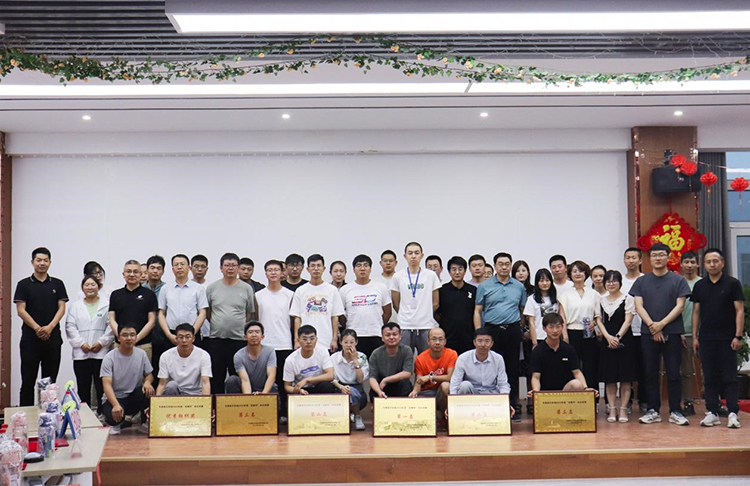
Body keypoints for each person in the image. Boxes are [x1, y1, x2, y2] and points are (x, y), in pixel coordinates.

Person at [630, 243, 691, 426]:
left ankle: (676, 411)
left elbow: (680, 306)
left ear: (668, 257)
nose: (658, 258)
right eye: (654, 255)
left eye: (661, 254)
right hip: (648, 333)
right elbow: (638, 306)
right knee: (650, 373)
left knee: (673, 373)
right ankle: (653, 410)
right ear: (649, 258)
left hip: (672, 332)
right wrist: (652, 326)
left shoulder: (678, 280)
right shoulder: (641, 281)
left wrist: (661, 325)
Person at [692, 248, 744, 429]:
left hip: (728, 338)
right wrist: (695, 337)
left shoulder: (732, 284)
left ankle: (732, 413)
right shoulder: (700, 285)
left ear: (722, 263)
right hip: (706, 338)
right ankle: (712, 412)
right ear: (704, 264)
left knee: (729, 377)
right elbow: (696, 312)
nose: (712, 265)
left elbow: (739, 310)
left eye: (715, 261)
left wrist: (738, 335)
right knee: (710, 376)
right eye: (708, 262)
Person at [14, 247, 69, 406]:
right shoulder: (23, 284)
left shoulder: (58, 284)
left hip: (52, 340)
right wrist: (38, 328)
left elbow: (62, 308)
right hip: (30, 340)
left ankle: (48, 416)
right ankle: (25, 416)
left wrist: (50, 327)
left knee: (49, 384)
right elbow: (20, 310)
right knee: (27, 382)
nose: (42, 263)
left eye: (45, 260)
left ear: (50, 263)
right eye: (39, 260)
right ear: (32, 262)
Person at [474, 252, 526, 416]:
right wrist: (479, 333)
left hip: (512, 330)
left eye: (507, 264)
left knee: (512, 367)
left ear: (510, 266)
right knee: (492, 367)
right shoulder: (485, 286)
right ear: (495, 266)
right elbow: (477, 311)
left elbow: (522, 310)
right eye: (500, 264)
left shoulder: (519, 286)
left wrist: (520, 328)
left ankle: (513, 404)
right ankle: (494, 404)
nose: (504, 267)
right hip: (492, 331)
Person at [206, 252, 256, 394]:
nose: (230, 268)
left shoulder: (246, 288)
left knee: (236, 376)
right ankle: (216, 404)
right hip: (217, 338)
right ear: (221, 268)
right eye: (227, 265)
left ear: (238, 268)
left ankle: (235, 404)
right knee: (216, 375)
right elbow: (208, 312)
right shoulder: (212, 287)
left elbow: (249, 313)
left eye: (233, 265)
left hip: (238, 339)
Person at [65, 274, 114, 413]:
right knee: (83, 386)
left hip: (101, 353)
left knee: (101, 386)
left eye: (93, 284)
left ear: (98, 287)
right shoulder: (75, 306)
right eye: (87, 285)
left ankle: (101, 413)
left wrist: (101, 342)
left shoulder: (106, 305)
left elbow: (110, 326)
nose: (90, 287)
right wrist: (81, 344)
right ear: (82, 288)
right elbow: (70, 326)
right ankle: (84, 414)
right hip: (81, 353)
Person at [155, 254, 208, 380]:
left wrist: (192, 333)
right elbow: (161, 313)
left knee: (194, 368)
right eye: (176, 265)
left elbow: (202, 312)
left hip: (192, 334)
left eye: (182, 264)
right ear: (172, 269)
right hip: (172, 335)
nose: (179, 267)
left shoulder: (198, 288)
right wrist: (168, 334)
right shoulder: (165, 289)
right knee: (171, 369)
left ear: (189, 267)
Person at [557, 260, 602, 404]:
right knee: (572, 367)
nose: (578, 274)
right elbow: (562, 318)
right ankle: (573, 401)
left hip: (589, 333)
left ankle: (593, 402)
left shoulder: (594, 294)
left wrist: (594, 323)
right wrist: (565, 336)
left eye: (580, 271)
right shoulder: (565, 295)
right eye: (574, 271)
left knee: (591, 367)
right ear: (570, 274)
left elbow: (598, 316)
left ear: (586, 274)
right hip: (572, 332)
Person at [255, 260, 295, 417]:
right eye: (270, 270)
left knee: (284, 380)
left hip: (284, 343)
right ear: (265, 273)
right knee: (266, 381)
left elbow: (293, 320)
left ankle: (285, 413)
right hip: (265, 344)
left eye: (276, 270)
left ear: (282, 273)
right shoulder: (258, 296)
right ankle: (268, 414)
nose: (273, 273)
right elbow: (256, 319)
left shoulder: (289, 295)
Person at [100, 323, 155, 434]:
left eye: (132, 335)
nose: (129, 338)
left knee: (147, 391)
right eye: (125, 335)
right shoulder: (109, 357)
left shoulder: (141, 354)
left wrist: (148, 382)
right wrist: (115, 405)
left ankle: (146, 422)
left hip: (133, 396)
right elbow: (106, 385)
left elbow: (149, 375)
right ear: (118, 338)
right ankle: (118, 422)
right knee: (113, 418)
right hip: (115, 398)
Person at [597, 270, 636, 423]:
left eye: (614, 281)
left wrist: (618, 337)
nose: (611, 284)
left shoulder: (628, 299)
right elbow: (598, 320)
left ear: (620, 283)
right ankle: (612, 409)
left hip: (625, 341)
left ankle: (624, 409)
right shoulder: (600, 300)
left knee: (625, 378)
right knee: (610, 378)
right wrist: (608, 337)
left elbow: (628, 320)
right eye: (608, 281)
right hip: (606, 341)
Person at [391, 242, 441, 354]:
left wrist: (425, 312)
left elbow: (436, 302)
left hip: (426, 325)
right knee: (405, 357)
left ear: (422, 255)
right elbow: (396, 303)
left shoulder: (430, 275)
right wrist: (407, 314)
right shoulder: (398, 276)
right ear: (405, 256)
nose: (413, 256)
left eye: (416, 253)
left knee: (426, 357)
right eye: (410, 253)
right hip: (405, 325)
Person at [339, 254, 392, 357]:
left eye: (366, 265)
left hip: (376, 334)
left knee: (375, 364)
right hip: (354, 336)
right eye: (359, 265)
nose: (362, 268)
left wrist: (377, 323)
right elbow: (341, 314)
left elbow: (387, 312)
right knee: (356, 364)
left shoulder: (381, 287)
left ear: (370, 269)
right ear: (353, 269)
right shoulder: (345, 289)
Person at [290, 254, 345, 353]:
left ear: (324, 268)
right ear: (307, 269)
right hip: (305, 341)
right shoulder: (300, 290)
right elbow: (297, 317)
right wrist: (296, 340)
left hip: (326, 341)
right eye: (313, 266)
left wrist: (334, 339)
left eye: (319, 265)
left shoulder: (332, 290)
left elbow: (335, 317)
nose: (316, 269)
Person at [528, 313, 593, 394]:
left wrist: (585, 388)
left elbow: (577, 372)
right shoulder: (538, 351)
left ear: (562, 327)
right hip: (545, 394)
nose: (555, 331)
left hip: (565, 392)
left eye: (558, 327)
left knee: (576, 384)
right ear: (544, 329)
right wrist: (536, 391)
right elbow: (536, 377)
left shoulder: (568, 349)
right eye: (551, 327)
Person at [109, 260, 158, 359]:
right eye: (128, 271)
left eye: (135, 272)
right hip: (120, 345)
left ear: (141, 274)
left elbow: (151, 321)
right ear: (123, 274)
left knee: (144, 369)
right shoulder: (115, 294)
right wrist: (122, 337)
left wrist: (135, 339)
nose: (132, 274)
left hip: (143, 345)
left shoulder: (149, 295)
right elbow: (112, 319)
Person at [450, 328, 512, 400]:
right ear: (474, 342)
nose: (483, 345)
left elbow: (503, 384)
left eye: (487, 341)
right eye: (480, 341)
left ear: (492, 343)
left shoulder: (498, 359)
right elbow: (455, 383)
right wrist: (453, 401)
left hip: (491, 393)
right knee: (464, 385)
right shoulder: (463, 358)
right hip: (472, 393)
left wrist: (505, 401)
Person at [410, 328, 457, 418]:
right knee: (415, 400)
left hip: (442, 391)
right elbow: (419, 381)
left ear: (445, 342)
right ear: (428, 341)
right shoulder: (420, 358)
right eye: (434, 339)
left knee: (446, 386)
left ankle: (444, 417)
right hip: (427, 392)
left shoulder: (452, 354)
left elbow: (450, 377)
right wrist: (415, 391)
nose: (437, 342)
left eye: (440, 339)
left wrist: (430, 377)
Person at [621, 247, 646, 414]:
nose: (630, 261)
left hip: (644, 330)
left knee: (645, 367)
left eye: (634, 258)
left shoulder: (646, 280)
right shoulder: (620, 281)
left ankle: (644, 400)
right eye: (627, 258)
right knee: (627, 368)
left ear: (640, 260)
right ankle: (627, 401)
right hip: (626, 331)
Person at [435, 256, 477, 355]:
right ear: (449, 272)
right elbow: (436, 313)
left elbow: (476, 312)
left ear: (465, 271)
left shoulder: (473, 290)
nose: (457, 272)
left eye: (460, 269)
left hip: (468, 338)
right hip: (448, 338)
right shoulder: (442, 290)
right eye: (454, 269)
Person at [156, 323, 212, 396]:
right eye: (181, 337)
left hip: (196, 394)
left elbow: (205, 382)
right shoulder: (166, 356)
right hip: (176, 392)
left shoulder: (203, 355)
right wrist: (156, 402)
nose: (184, 340)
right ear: (176, 339)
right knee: (171, 385)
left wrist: (206, 401)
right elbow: (162, 384)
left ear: (193, 338)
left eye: (187, 337)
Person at [331, 329, 369, 431]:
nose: (348, 345)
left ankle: (356, 416)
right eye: (346, 342)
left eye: (351, 342)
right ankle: (354, 416)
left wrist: (355, 360)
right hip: (339, 387)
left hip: (357, 389)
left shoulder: (362, 357)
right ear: (340, 342)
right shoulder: (334, 358)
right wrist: (341, 387)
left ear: (356, 342)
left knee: (351, 392)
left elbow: (360, 380)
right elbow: (332, 378)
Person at [225, 321, 278, 394]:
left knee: (274, 389)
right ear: (245, 337)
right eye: (250, 332)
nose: (254, 335)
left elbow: (271, 376)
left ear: (262, 336)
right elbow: (245, 380)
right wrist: (250, 398)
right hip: (247, 388)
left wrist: (263, 395)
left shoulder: (270, 351)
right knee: (232, 380)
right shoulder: (238, 355)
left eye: (257, 332)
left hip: (266, 388)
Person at [283, 325, 336, 395]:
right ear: (298, 340)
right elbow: (287, 386)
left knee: (327, 386)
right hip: (302, 389)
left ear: (316, 339)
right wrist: (297, 390)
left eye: (312, 339)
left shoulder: (323, 352)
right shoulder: (290, 360)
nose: (308, 342)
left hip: (318, 386)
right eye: (305, 339)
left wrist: (307, 380)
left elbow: (330, 375)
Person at [679, 251, 701, 416]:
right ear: (681, 264)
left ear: (698, 264)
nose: (689, 265)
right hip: (683, 332)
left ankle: (715, 403)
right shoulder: (677, 283)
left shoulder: (703, 283)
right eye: (686, 262)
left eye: (692, 262)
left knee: (710, 370)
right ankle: (688, 402)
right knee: (686, 371)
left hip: (704, 333)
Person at [369, 323, 414, 399]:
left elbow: (407, 373)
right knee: (374, 391)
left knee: (406, 385)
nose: (391, 337)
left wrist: (386, 380)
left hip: (398, 384)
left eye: (394, 334)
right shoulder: (376, 353)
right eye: (388, 335)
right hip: (382, 386)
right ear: (382, 338)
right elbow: (372, 378)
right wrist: (379, 391)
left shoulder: (406, 350)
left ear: (400, 336)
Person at [524, 269, 560, 346]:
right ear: (537, 283)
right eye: (541, 281)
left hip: (555, 337)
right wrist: (534, 342)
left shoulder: (556, 298)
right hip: (539, 337)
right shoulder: (531, 299)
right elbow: (531, 322)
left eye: (547, 280)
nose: (545, 283)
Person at [190, 254, 211, 347]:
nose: (199, 269)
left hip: (209, 332)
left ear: (207, 269)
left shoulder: (211, 287)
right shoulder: (187, 286)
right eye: (196, 266)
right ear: (190, 268)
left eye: (203, 267)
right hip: (191, 331)